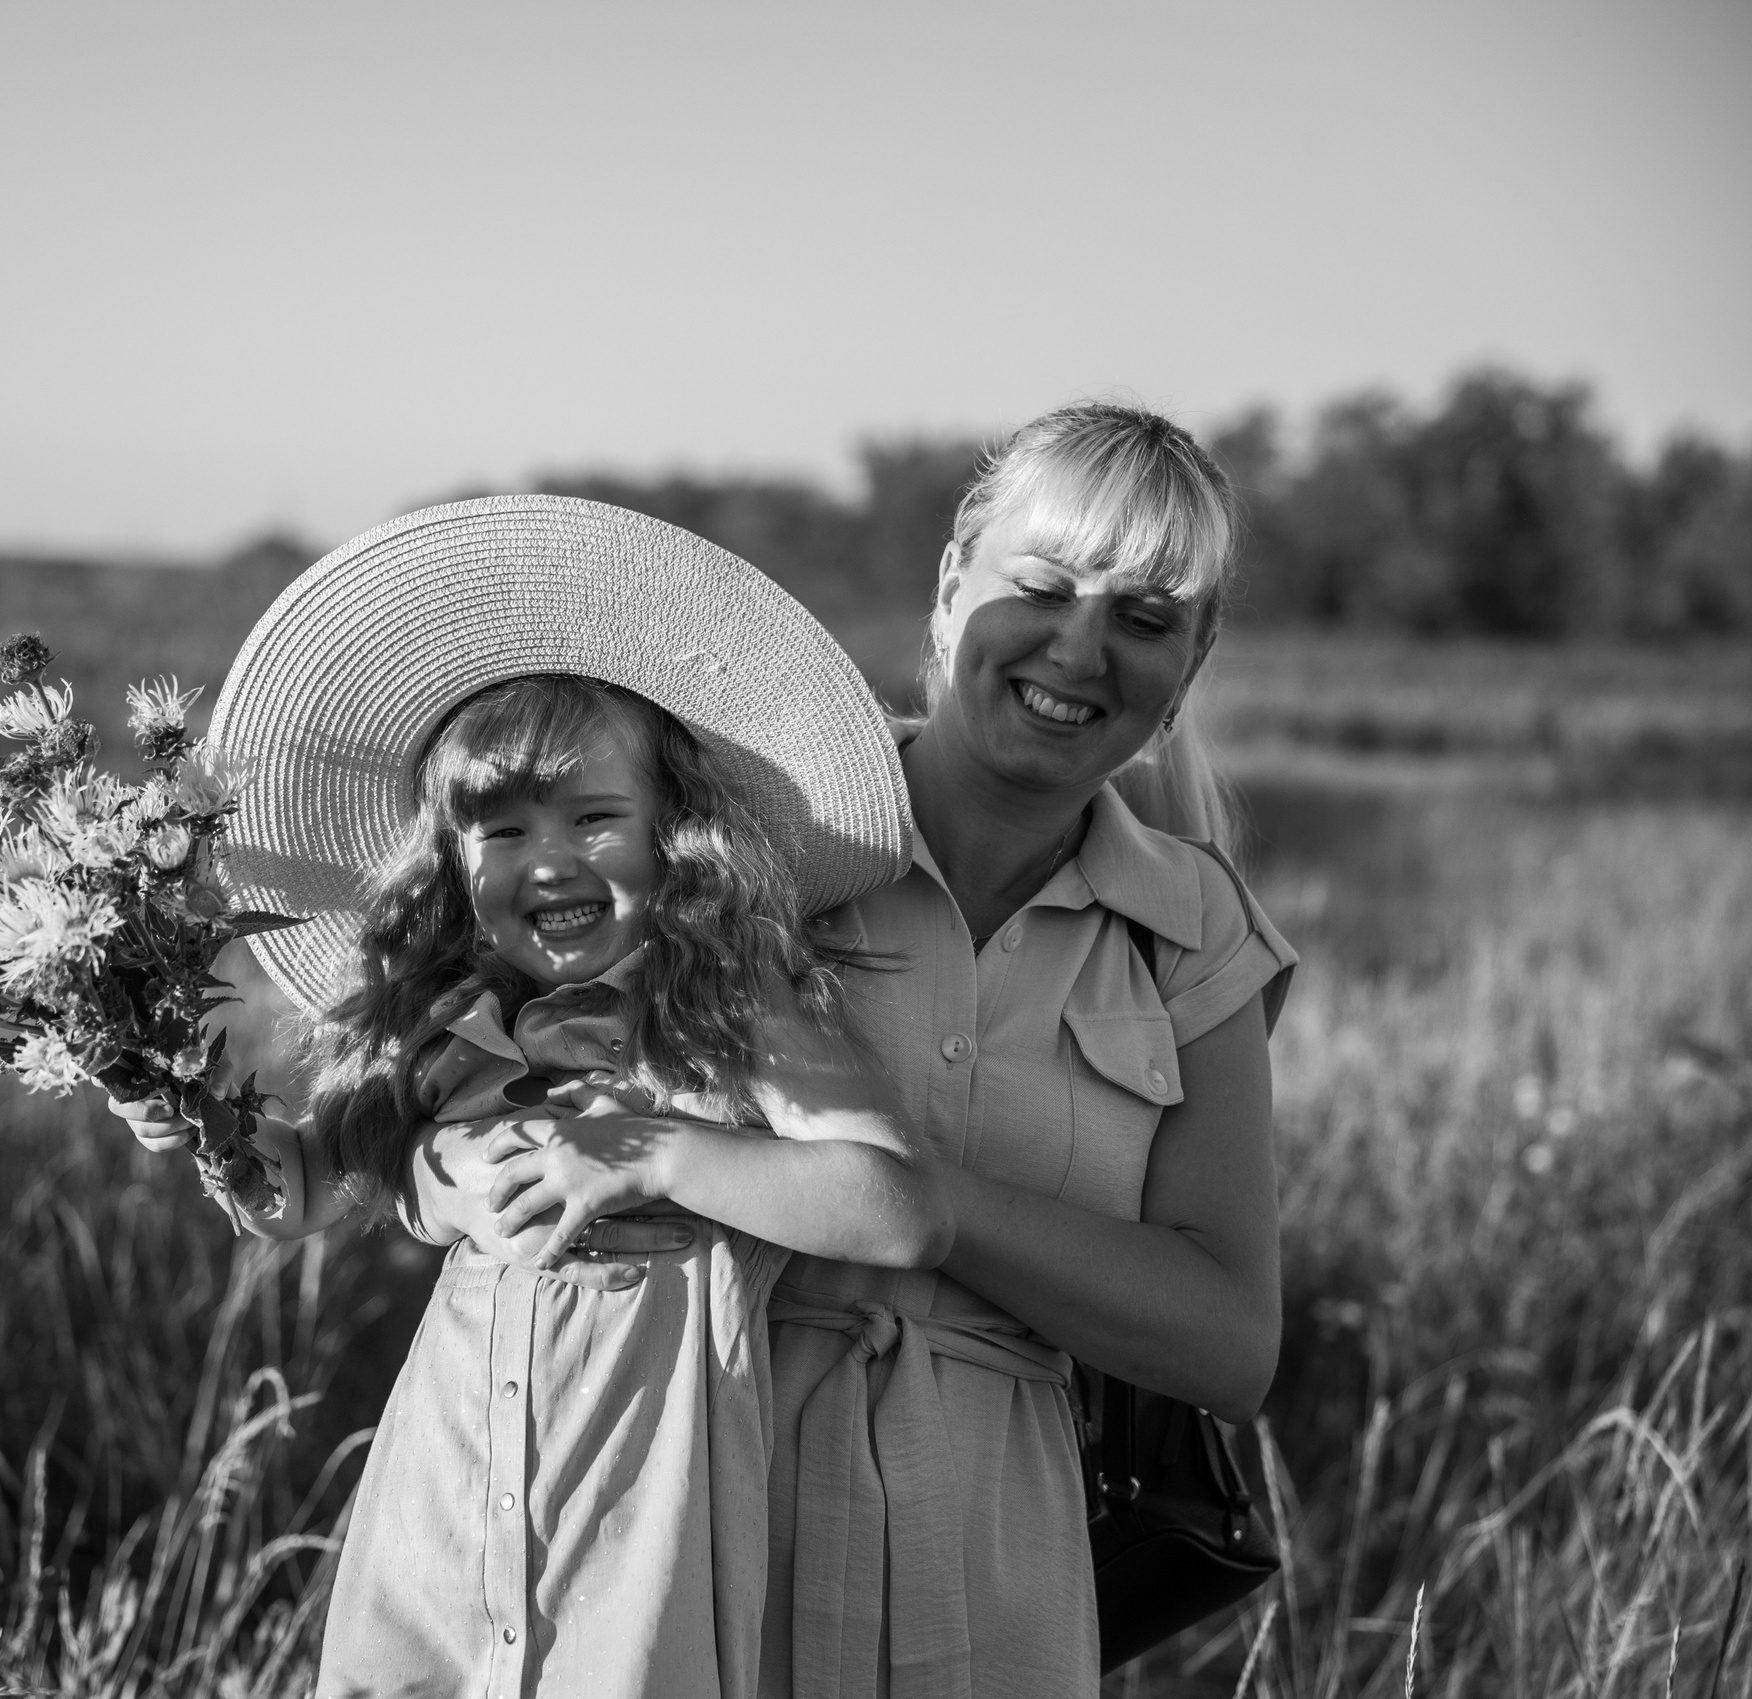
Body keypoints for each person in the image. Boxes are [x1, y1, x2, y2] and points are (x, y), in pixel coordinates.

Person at [424, 404, 1297, 1696]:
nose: (1079, 646)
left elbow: (1229, 1339)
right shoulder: (751, 849)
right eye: (1042, 586)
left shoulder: (1196, 929)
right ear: (952, 591)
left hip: (999, 1567)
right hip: (690, 1517)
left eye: (1146, 619)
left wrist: (928, 1210)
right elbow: (464, 1107)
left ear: (1197, 657)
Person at [110, 497, 943, 1698]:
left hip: (641, 1505)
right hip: (446, 1497)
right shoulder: (443, 1024)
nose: (548, 859)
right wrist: (192, 1111)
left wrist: (647, 1148)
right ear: (450, 862)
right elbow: (301, 1190)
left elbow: (898, 1212)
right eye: (500, 828)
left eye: (595, 818)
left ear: (675, 834)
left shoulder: (726, 1003)